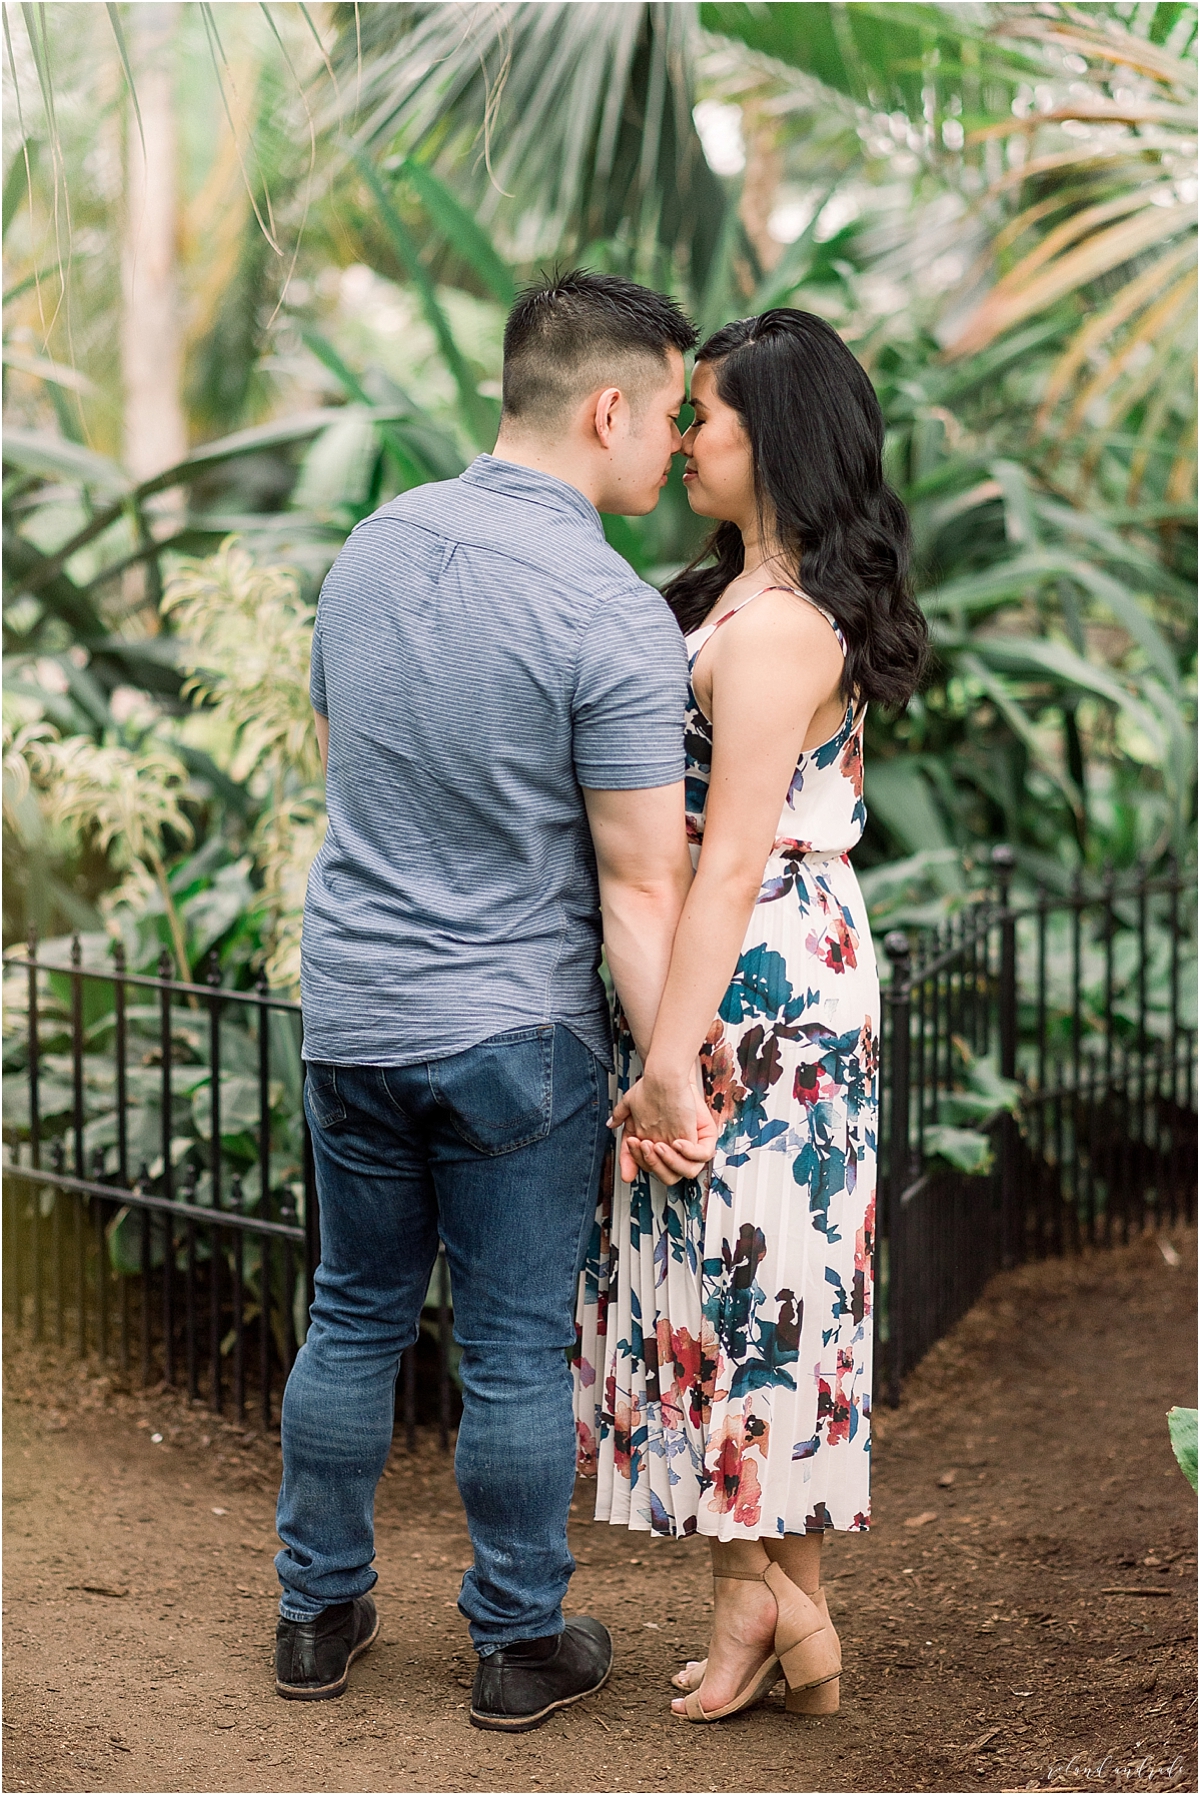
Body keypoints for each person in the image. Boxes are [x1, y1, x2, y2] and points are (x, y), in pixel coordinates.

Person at [275, 271, 716, 1732]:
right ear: (608, 407)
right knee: (517, 1347)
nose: (678, 442)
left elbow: (340, 760)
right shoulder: (609, 607)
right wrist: (671, 1069)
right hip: (511, 1033)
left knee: (351, 1315)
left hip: (350, 1007)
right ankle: (517, 1639)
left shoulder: (367, 549)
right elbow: (644, 883)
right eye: (671, 413)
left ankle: (313, 1614)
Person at [572, 309, 928, 1722]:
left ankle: (759, 1603)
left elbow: (727, 856)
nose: (682, 435)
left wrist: (669, 1055)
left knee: (753, 1284)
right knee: (731, 1271)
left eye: (702, 413)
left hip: (767, 972)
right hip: (740, 958)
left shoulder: (780, 632)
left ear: (769, 437)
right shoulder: (731, 595)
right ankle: (794, 1621)